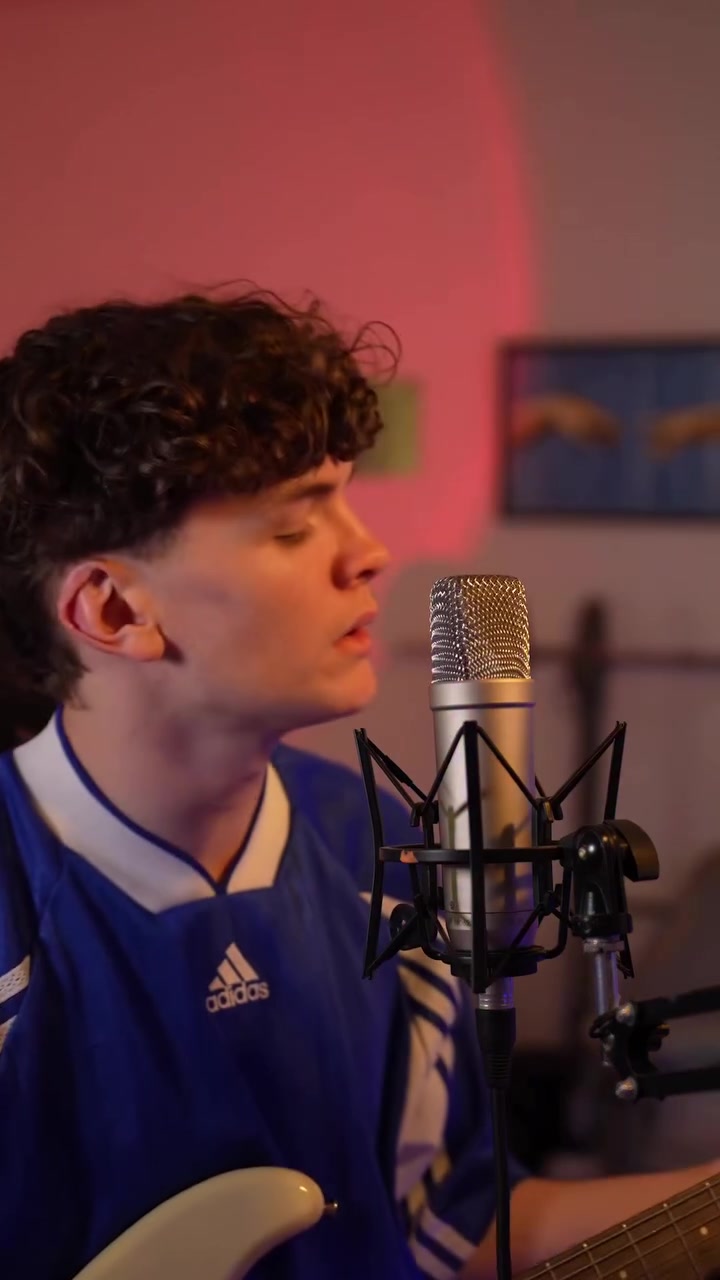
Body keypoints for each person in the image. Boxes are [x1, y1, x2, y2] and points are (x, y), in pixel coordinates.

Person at [0, 290, 715, 1280]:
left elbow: (448, 1222)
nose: (369, 554)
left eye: (346, 497)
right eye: (295, 527)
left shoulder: (376, 842)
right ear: (114, 608)